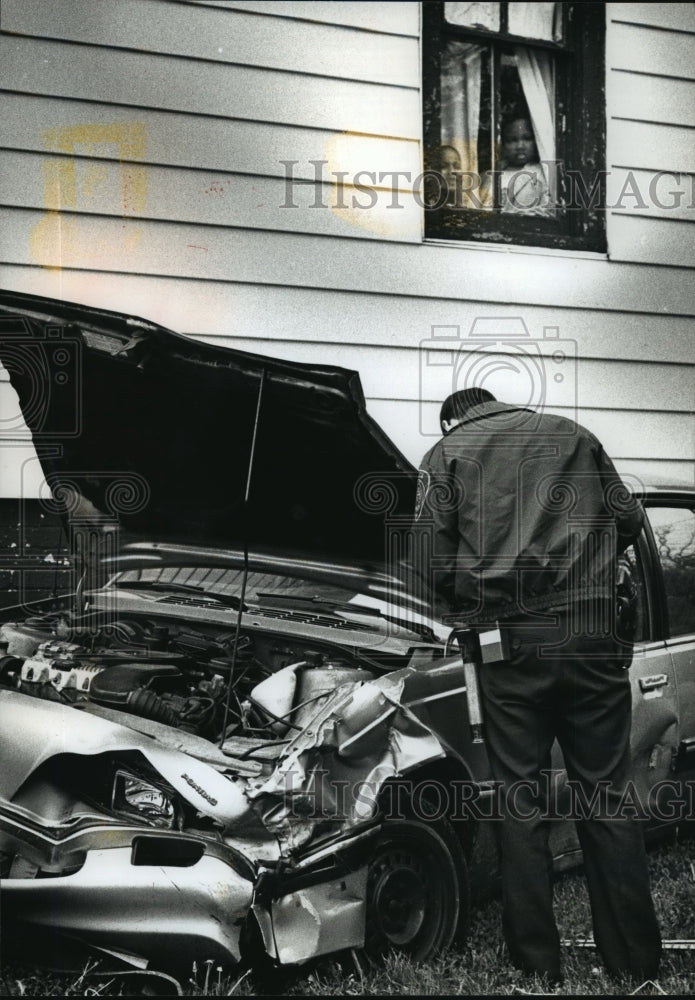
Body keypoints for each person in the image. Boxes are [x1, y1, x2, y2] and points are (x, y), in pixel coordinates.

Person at [413, 386, 662, 986]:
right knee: (605, 794)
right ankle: (634, 965)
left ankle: (538, 968)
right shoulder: (574, 434)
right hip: (591, 634)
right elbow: (629, 520)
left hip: (509, 644)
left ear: (454, 416)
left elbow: (425, 559)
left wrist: (469, 602)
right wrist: (592, 571)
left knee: (516, 801)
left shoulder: (446, 455)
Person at [480, 116, 553, 215]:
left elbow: (549, 210)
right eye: (512, 140)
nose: (520, 146)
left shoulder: (544, 173)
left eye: (527, 138)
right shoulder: (488, 176)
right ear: (503, 144)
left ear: (536, 141)